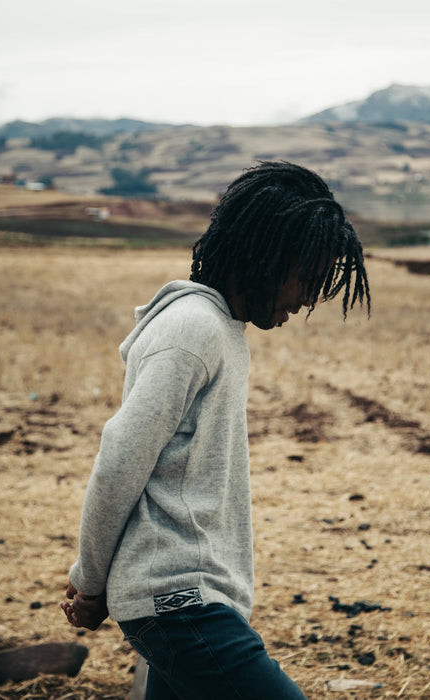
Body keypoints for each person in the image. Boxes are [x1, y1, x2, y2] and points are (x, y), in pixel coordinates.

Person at [61, 160, 370, 700]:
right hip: (179, 602)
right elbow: (119, 460)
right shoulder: (193, 330)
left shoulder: (221, 329)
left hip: (186, 598)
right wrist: (89, 583)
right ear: (266, 257)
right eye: (307, 279)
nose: (307, 300)